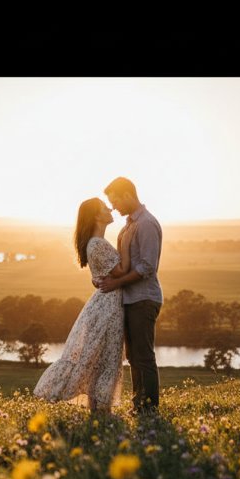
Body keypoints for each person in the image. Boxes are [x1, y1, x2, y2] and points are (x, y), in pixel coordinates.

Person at [32, 197, 135, 415]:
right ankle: (100, 410)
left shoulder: (96, 242)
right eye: (105, 207)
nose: (110, 208)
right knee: (107, 356)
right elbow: (123, 270)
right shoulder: (97, 243)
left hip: (107, 302)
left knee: (101, 356)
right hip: (108, 306)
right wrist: (126, 242)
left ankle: (99, 410)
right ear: (97, 216)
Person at [95, 177, 163, 416]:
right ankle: (140, 406)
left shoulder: (146, 224)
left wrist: (116, 283)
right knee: (133, 356)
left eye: (115, 201)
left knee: (143, 355)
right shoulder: (129, 225)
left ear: (127, 194)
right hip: (131, 299)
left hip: (143, 298)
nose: (114, 207)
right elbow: (122, 264)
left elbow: (147, 267)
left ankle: (148, 409)